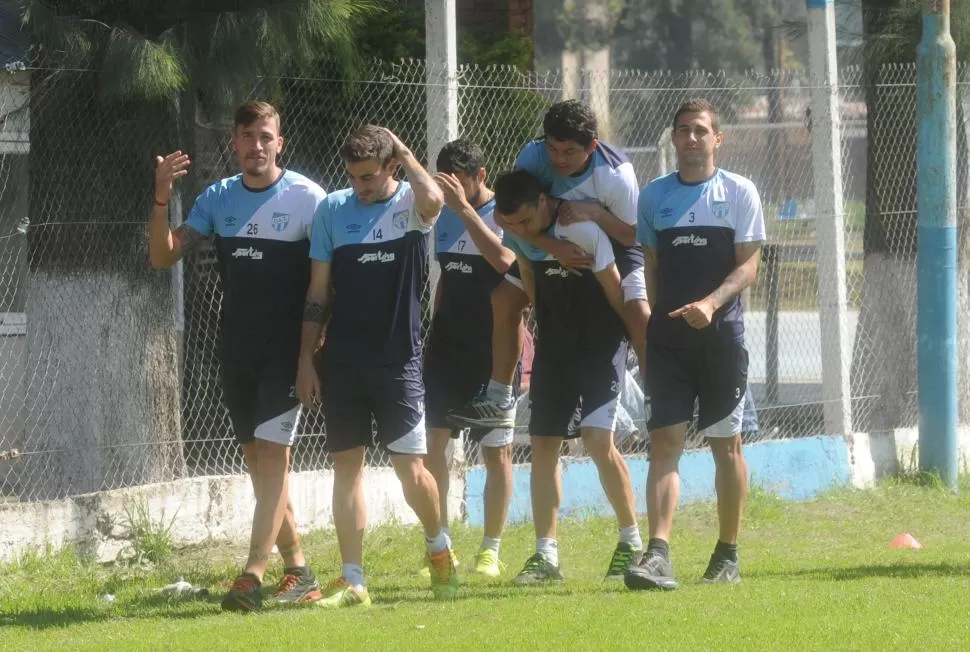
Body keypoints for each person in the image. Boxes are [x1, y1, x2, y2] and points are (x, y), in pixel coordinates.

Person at [148, 101, 325, 612]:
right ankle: (300, 570)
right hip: (237, 348)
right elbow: (162, 256)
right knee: (257, 463)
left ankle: (253, 572)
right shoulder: (217, 199)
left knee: (274, 457)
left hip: (287, 351)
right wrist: (162, 199)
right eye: (247, 136)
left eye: (265, 136)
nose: (256, 146)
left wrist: (314, 350)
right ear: (235, 143)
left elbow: (326, 278)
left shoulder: (308, 198)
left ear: (280, 142)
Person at [296, 125, 458, 608]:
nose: (359, 186)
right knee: (346, 469)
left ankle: (438, 547)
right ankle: (353, 580)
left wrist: (404, 151)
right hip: (343, 363)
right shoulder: (332, 210)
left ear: (390, 167)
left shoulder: (411, 205)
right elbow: (318, 292)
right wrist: (307, 357)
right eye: (352, 177)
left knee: (412, 472)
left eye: (368, 176)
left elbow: (436, 198)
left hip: (398, 365)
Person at [625, 98, 766, 591]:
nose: (691, 138)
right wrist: (654, 324)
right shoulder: (653, 197)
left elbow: (749, 265)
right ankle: (657, 554)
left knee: (726, 445)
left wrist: (710, 303)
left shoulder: (739, 192)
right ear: (672, 137)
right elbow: (651, 266)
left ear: (717, 139)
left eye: (700, 130)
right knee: (664, 444)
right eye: (683, 130)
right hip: (668, 343)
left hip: (721, 341)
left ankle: (727, 554)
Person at [447, 99, 648, 430]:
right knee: (504, 299)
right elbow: (506, 213)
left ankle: (655, 394)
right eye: (553, 149)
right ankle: (498, 397)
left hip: (614, 242)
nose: (558, 159)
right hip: (547, 240)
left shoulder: (616, 174)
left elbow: (630, 235)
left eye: (569, 151)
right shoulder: (532, 157)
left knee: (637, 312)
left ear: (592, 145)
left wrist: (595, 214)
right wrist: (552, 245)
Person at [494, 169, 643, 585]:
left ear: (544, 200)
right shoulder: (521, 234)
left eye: (525, 220)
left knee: (598, 441)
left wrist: (631, 348)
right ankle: (546, 556)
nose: (520, 230)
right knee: (542, 446)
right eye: (512, 224)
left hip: (600, 348)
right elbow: (529, 285)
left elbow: (616, 294)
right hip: (556, 351)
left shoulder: (584, 230)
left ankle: (631, 541)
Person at [422, 139, 518, 578]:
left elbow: (505, 262)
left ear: (481, 177)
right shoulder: (442, 214)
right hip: (447, 347)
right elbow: (446, 276)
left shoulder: (504, 213)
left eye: (459, 183)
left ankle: (490, 550)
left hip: (493, 352)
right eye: (445, 184)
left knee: (496, 453)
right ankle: (441, 547)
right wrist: (434, 324)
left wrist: (464, 210)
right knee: (434, 447)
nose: (450, 192)